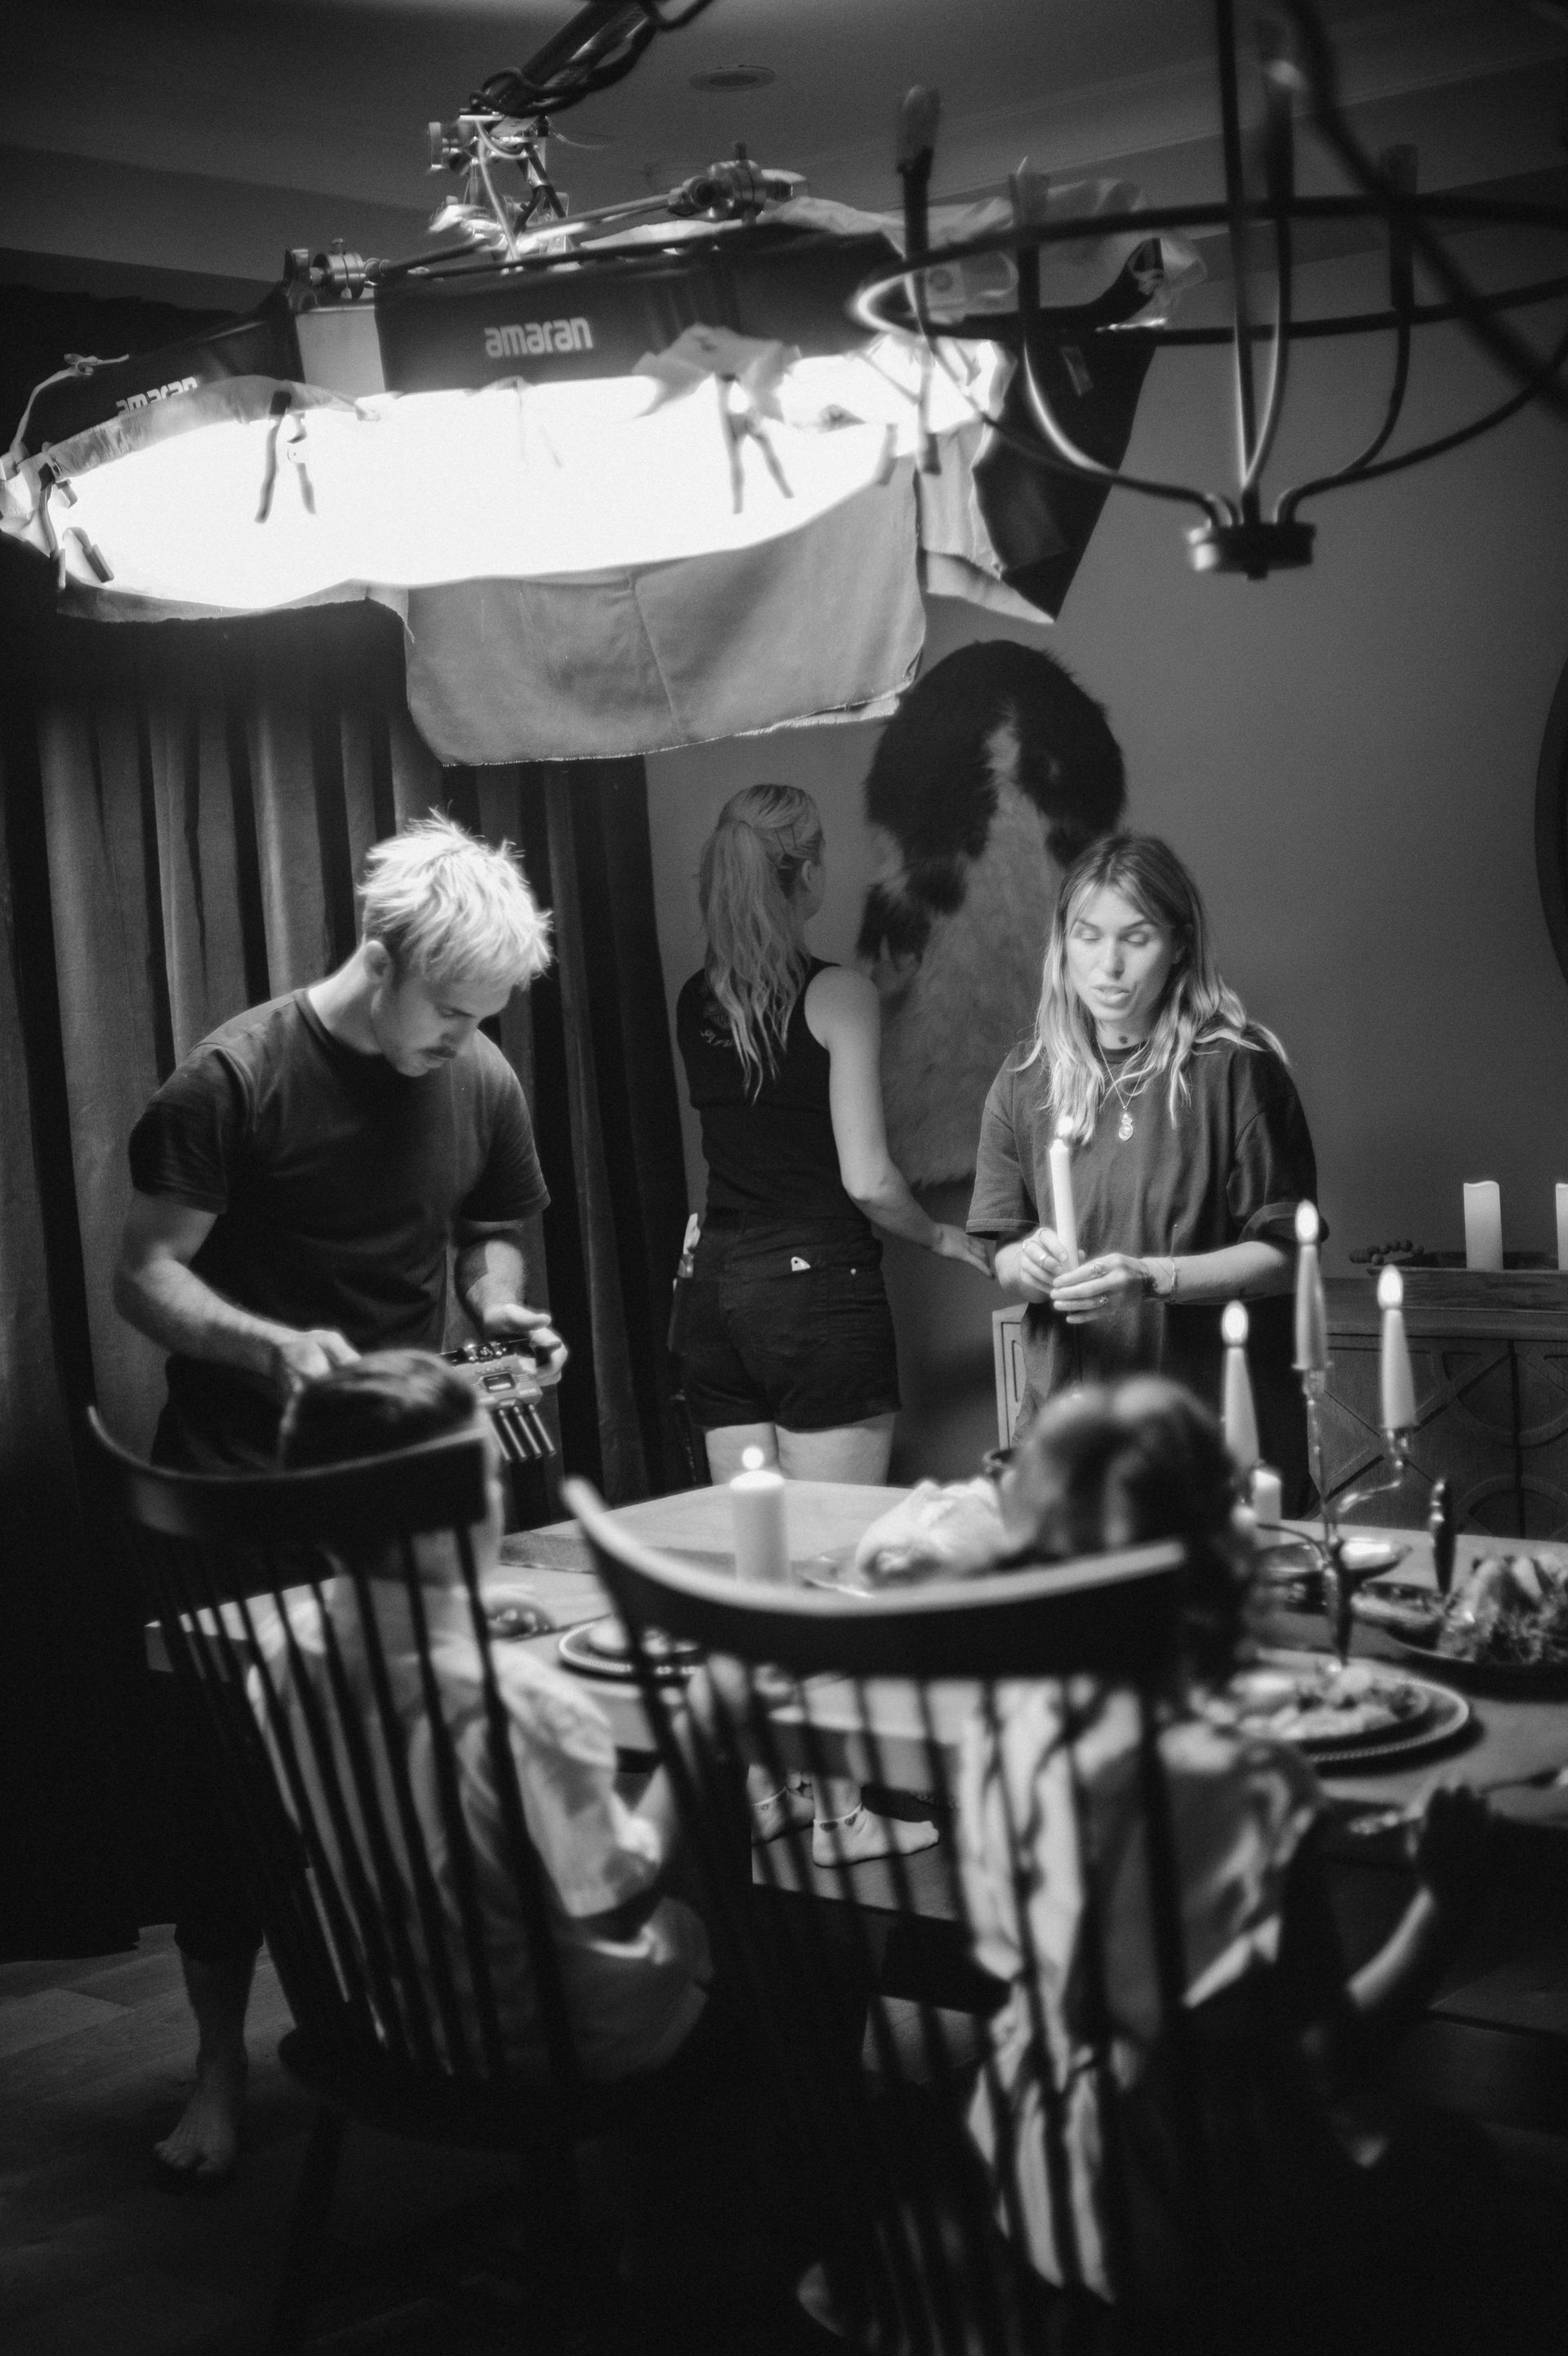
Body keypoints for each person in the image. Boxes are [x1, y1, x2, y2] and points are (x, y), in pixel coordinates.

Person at [114, 813, 564, 2185]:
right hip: (242, 1483)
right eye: (451, 1011)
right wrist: (268, 1345)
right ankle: (215, 2074)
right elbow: (144, 1276)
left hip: (399, 1480)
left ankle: (417, 2026)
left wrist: (502, 1315)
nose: (465, 1041)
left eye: (486, 1016)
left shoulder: (477, 1069)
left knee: (425, 1777)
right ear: (384, 955)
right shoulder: (234, 1080)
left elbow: (491, 1235)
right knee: (228, 1804)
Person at [956, 1378, 1548, 2352]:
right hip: (1205, 2215)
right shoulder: (1242, 1779)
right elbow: (1329, 2053)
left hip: (1041, 2175)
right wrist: (1442, 1903)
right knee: (1462, 2158)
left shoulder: (1007, 1730)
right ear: (1225, 1558)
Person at [674, 782, 991, 1864]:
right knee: (837, 1569)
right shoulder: (838, 997)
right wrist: (947, 1241)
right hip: (816, 1295)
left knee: (759, 1571)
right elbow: (863, 1176)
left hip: (714, 1293)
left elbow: (763, 1122)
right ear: (805, 874)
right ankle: (842, 1818)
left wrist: (877, 1001)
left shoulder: (693, 1000)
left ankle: (774, 1794)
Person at [260, 1352, 713, 2083]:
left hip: (404, 2017)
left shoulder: (282, 1655)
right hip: (555, 2040)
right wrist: (700, 1730)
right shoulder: (519, 1701)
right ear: (471, 1507)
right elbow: (616, 1909)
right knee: (788, 1932)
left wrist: (453, 1610)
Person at [969, 831, 1318, 1507]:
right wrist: (1027, 1265)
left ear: (1180, 944)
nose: (1109, 964)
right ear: (1062, 944)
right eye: (1087, 935)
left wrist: (1153, 1278)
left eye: (1136, 937)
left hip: (1212, 1431)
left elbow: (1286, 1258)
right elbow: (1001, 1253)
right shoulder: (1023, 1083)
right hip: (1069, 1437)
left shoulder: (1238, 1071)